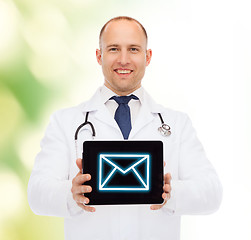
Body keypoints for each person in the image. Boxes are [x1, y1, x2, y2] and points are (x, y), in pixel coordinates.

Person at [28, 16, 222, 240]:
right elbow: (36, 194)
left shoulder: (178, 124)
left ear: (147, 57)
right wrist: (71, 194)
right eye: (113, 49)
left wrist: (171, 192)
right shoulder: (65, 122)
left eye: (133, 49)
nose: (123, 59)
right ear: (99, 56)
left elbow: (212, 193)